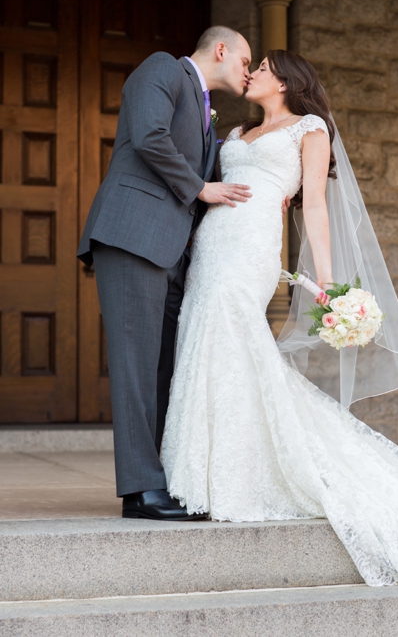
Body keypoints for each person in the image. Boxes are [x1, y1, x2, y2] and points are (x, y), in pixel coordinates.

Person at [159, 49, 398, 592]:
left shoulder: (309, 129)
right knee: (206, 341)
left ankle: (234, 479)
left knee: (232, 335)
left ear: (287, 80)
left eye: (261, 67)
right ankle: (201, 475)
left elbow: (314, 206)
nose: (253, 73)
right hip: (211, 244)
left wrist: (332, 286)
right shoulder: (236, 135)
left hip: (250, 250)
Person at [77, 26, 253, 521]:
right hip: (132, 236)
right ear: (221, 50)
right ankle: (139, 491)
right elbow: (151, 137)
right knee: (135, 365)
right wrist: (201, 188)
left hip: (172, 253)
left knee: (167, 368)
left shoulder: (203, 108)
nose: (247, 70)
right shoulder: (162, 68)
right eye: (246, 60)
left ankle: (160, 479)